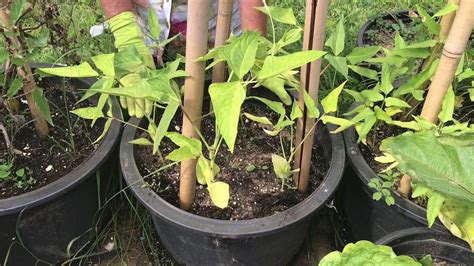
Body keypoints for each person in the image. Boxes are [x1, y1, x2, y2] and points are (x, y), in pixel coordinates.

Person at [99, 0, 267, 118]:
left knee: (235, 83)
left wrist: (256, 48)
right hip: (150, 19)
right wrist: (129, 40)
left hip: (221, 17)